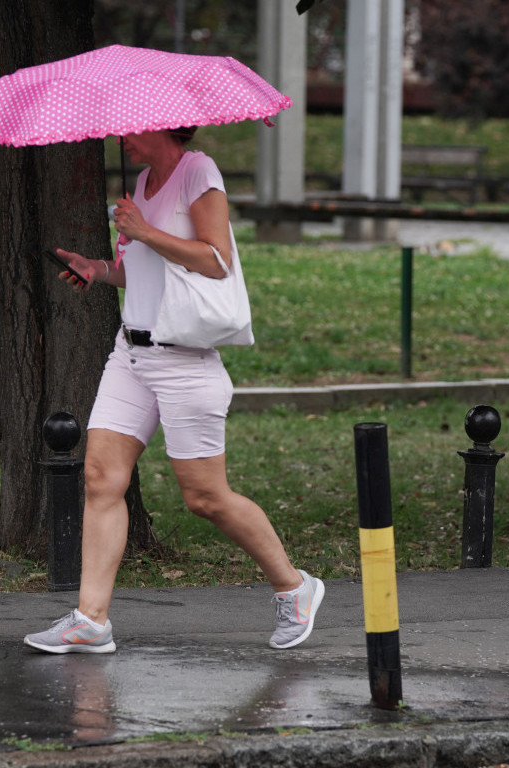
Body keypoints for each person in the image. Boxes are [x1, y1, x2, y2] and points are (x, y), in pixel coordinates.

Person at [24, 125, 324, 654]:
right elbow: (146, 275)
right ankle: (91, 620)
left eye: (133, 131)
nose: (124, 139)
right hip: (131, 353)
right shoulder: (141, 183)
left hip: (185, 361)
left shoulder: (198, 173)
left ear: (162, 126)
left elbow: (215, 261)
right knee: (100, 478)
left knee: (205, 497)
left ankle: (295, 587)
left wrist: (143, 231)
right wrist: (99, 270)